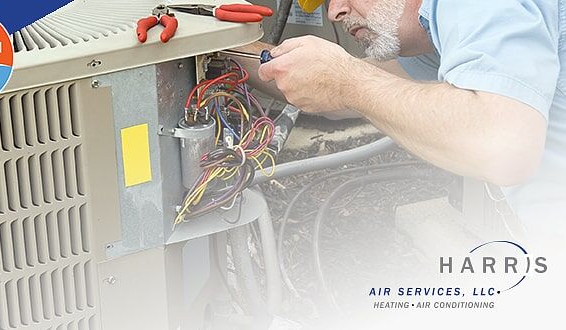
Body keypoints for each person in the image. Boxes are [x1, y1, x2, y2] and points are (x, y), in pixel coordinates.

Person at [237, 0, 565, 241]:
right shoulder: (433, 27)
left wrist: (345, 80)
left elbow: (504, 147)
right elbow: (355, 90)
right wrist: (222, 50)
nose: (333, 12)